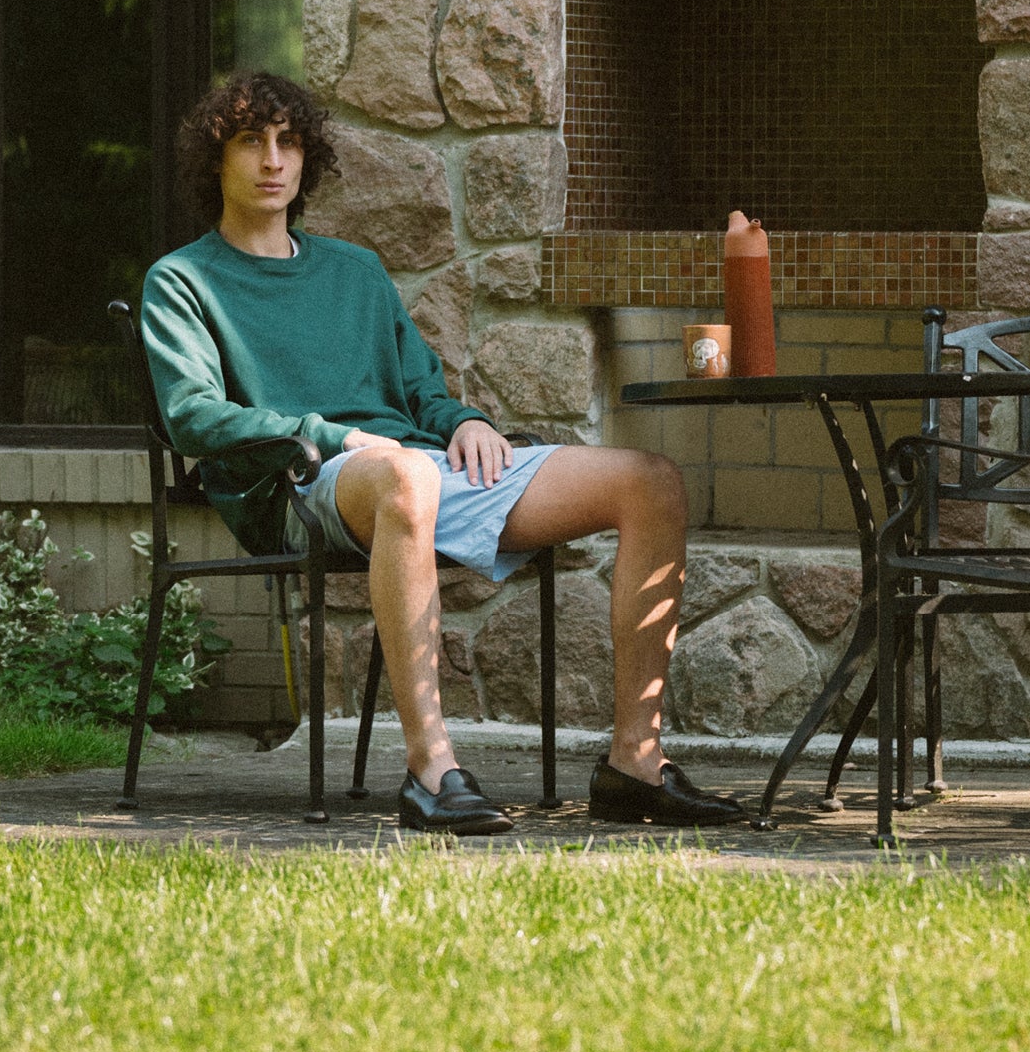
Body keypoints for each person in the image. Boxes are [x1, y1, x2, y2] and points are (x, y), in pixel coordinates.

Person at [138, 70, 745, 838]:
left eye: (287, 142)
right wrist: (332, 438)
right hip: (299, 484)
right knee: (403, 473)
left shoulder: (354, 270)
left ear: (306, 158)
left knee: (649, 481)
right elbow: (193, 417)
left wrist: (465, 422)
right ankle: (432, 771)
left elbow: (425, 390)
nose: (272, 160)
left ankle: (635, 764)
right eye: (250, 142)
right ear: (214, 159)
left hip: (418, 467)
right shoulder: (184, 281)